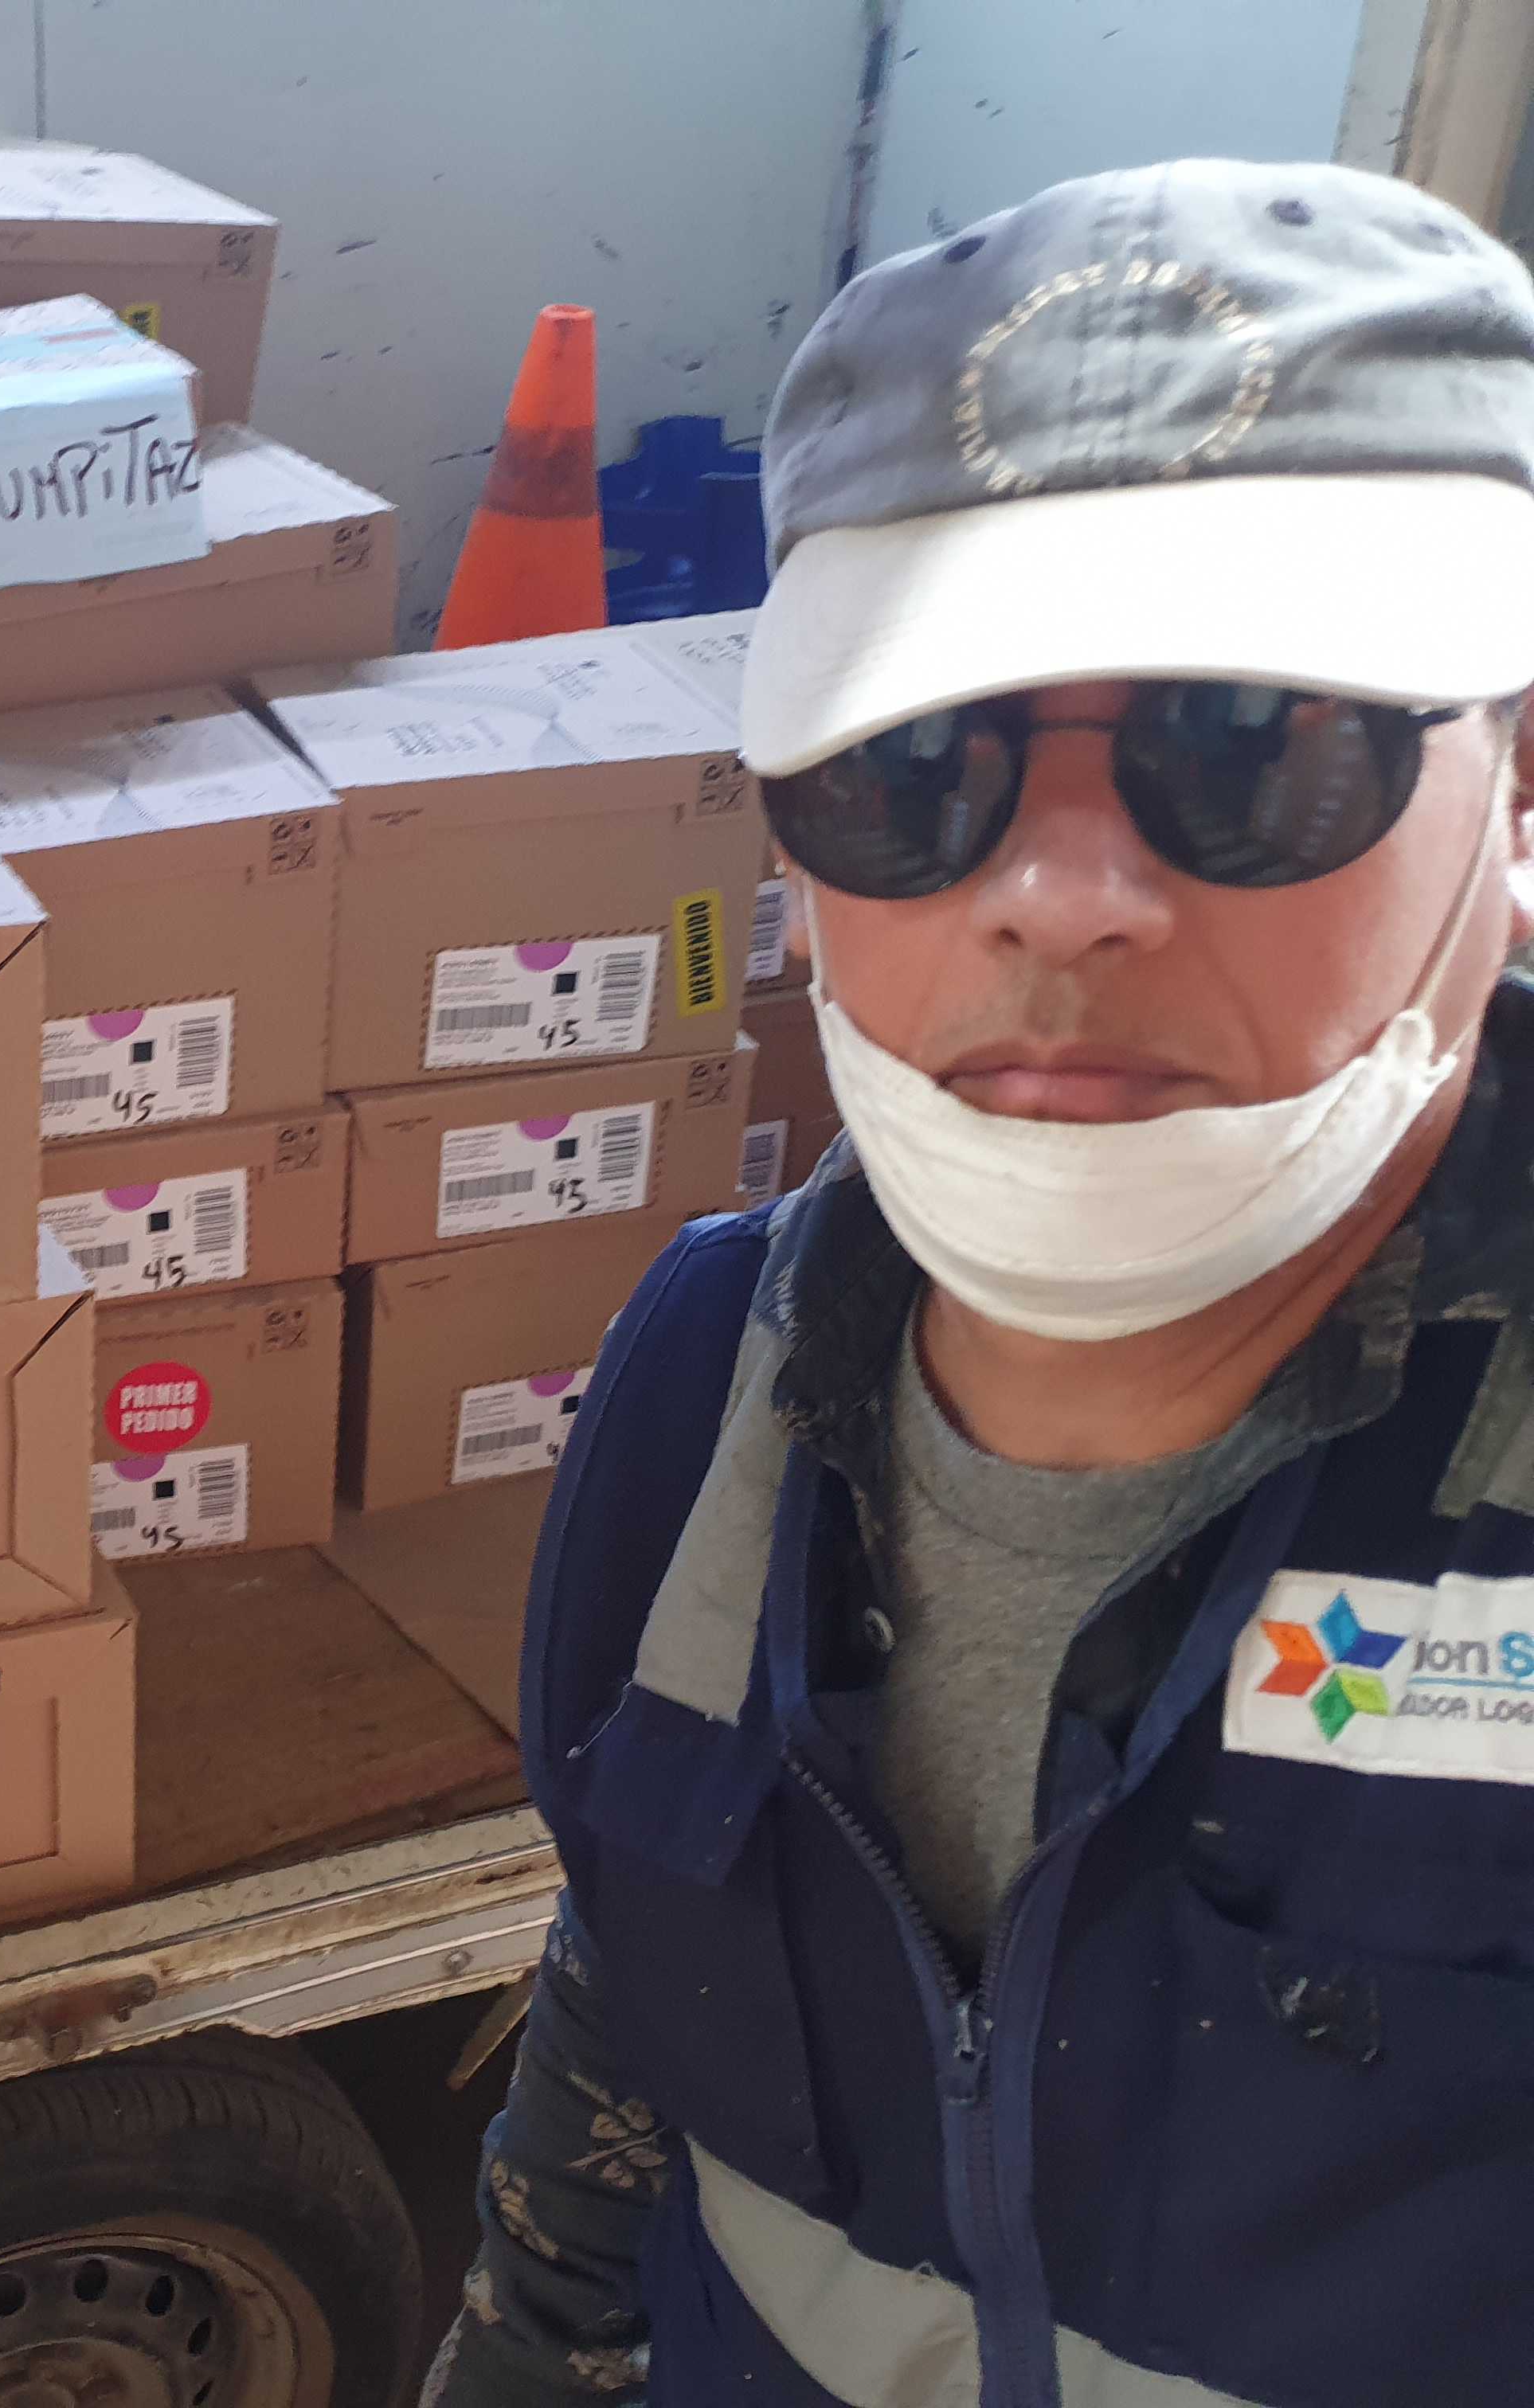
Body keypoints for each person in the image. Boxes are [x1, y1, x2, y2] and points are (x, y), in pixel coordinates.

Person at [422, 157, 1534, 2408]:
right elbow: (634, 1978)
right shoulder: (706, 1384)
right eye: (915, 762)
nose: (1061, 891)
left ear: (1514, 796)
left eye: (1256, 737)